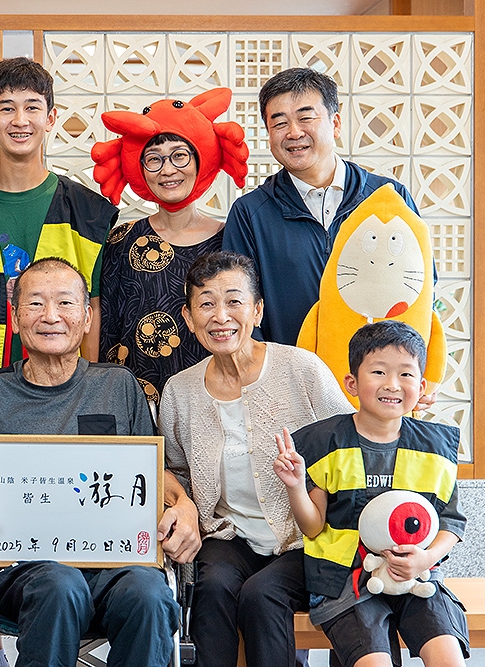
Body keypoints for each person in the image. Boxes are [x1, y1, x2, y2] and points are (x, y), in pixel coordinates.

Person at [0, 257, 193, 667]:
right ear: (15, 318)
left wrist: (185, 506)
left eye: (65, 303)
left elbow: (153, 473)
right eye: (35, 303)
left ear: (86, 319)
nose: (51, 316)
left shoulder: (118, 385)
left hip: (115, 566)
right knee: (60, 584)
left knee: (150, 593)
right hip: (24, 568)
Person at [159, 251, 353, 667]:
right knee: (212, 587)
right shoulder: (180, 390)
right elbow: (174, 469)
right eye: (206, 304)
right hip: (229, 536)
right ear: (189, 317)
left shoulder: (301, 369)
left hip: (306, 535)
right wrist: (184, 505)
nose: (220, 316)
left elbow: (351, 443)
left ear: (257, 310)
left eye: (234, 301)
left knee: (262, 595)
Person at [275, 320, 467, 667]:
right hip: (346, 583)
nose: (392, 384)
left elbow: (450, 522)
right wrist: (295, 486)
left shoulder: (434, 447)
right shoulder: (325, 442)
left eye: (405, 374)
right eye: (378, 372)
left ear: (421, 385)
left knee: (448, 658)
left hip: (417, 577)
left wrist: (424, 559)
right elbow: (313, 527)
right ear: (352, 382)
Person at [0, 57, 119, 420]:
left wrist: (91, 393)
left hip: (66, 393)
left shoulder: (88, 212)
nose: (20, 120)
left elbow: (93, 307)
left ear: (51, 118)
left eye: (32, 107)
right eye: (7, 108)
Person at [222, 67, 419, 348]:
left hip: (376, 371)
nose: (294, 132)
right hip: (288, 372)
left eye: (305, 118)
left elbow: (419, 288)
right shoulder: (250, 214)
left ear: (335, 123)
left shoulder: (388, 198)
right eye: (280, 123)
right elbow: (238, 306)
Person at [92, 90, 249, 407]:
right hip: (135, 403)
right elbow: (106, 327)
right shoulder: (120, 240)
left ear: (200, 159)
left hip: (217, 400)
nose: (167, 170)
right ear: (139, 168)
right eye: (154, 159)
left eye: (180, 155)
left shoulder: (230, 241)